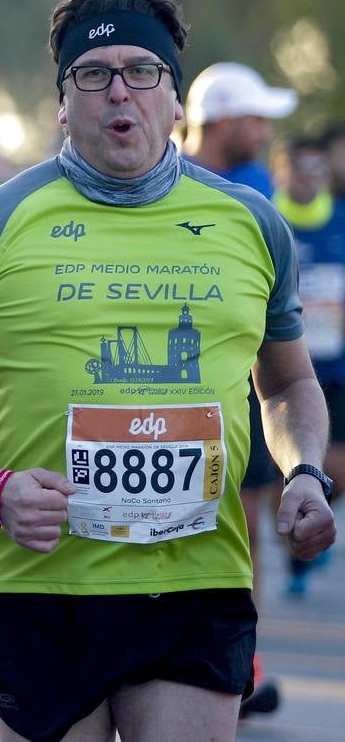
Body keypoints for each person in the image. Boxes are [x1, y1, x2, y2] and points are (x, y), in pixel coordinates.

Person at [0, 0, 336, 742]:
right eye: (92, 74)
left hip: (197, 574)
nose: (117, 91)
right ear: (63, 103)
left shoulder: (251, 222)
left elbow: (288, 380)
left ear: (175, 98)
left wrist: (305, 473)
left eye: (142, 71)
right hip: (45, 578)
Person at [184, 60, 300, 716]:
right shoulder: (156, 176)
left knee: (240, 524)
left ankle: (239, 663)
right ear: (220, 120)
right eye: (256, 118)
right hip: (167, 391)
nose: (265, 131)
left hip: (245, 387)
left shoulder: (256, 185)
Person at [270, 133, 345, 596]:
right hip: (282, 370)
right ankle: (297, 546)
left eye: (317, 170)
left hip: (334, 366)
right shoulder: (264, 216)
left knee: (337, 464)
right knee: (301, 461)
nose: (308, 178)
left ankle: (305, 530)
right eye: (300, 169)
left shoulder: (341, 220)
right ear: (282, 171)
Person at [182, 62, 297, 199]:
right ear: (223, 126)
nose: (267, 134)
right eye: (258, 121)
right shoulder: (164, 181)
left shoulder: (257, 180)